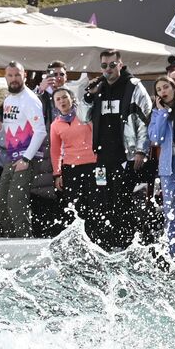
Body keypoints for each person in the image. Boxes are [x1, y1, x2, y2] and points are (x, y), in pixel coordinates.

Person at [82, 49, 152, 249]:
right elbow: (82, 116)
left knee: (123, 199)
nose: (108, 69)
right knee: (103, 201)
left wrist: (141, 150)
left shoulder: (133, 87)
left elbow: (145, 120)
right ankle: (107, 243)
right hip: (103, 157)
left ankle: (127, 243)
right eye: (104, 66)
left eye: (113, 65)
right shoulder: (98, 88)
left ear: (120, 64)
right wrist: (89, 96)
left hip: (126, 155)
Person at [0, 62, 46, 238]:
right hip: (11, 158)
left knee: (16, 203)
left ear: (24, 75)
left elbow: (40, 131)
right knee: (2, 203)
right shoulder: (8, 99)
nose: (14, 79)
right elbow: (12, 130)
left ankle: (24, 241)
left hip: (25, 159)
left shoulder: (30, 99)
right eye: (10, 75)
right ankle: (12, 241)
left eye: (17, 75)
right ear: (5, 77)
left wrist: (26, 159)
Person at [48, 87, 101, 240]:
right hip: (71, 168)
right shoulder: (55, 125)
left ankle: (99, 237)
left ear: (71, 99)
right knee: (75, 206)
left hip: (95, 165)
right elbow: (55, 151)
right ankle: (79, 239)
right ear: (55, 104)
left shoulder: (85, 116)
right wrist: (57, 173)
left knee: (98, 201)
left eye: (64, 97)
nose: (62, 101)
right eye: (58, 99)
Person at [148, 75, 175, 256]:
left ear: (173, 88)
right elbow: (156, 139)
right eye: (159, 89)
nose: (163, 91)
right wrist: (162, 113)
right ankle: (173, 255)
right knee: (172, 213)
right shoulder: (156, 114)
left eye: (165, 87)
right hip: (168, 167)